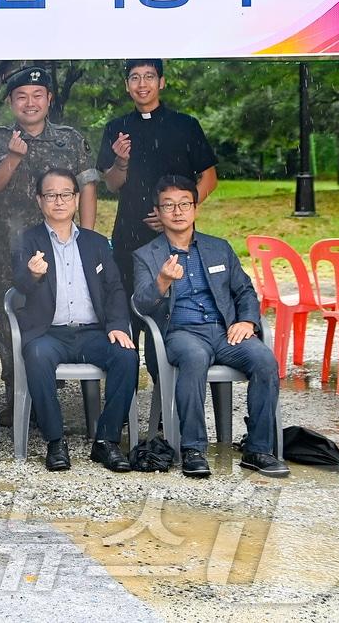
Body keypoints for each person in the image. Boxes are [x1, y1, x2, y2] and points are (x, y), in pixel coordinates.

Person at [132, 175, 289, 479]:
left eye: (184, 204)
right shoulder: (146, 255)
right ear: (158, 212)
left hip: (224, 332)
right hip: (179, 333)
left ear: (195, 208)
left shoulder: (219, 248)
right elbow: (140, 304)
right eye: (168, 205)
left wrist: (246, 321)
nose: (177, 211)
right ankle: (193, 449)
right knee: (194, 358)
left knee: (265, 361)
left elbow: (244, 291)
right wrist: (162, 281)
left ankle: (258, 449)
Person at [0, 65, 98, 424]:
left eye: (37, 95)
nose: (30, 103)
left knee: (59, 313)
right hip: (12, 247)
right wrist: (12, 158)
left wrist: (87, 241)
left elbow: (87, 187)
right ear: (12, 102)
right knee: (13, 316)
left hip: (63, 246)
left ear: (49, 98)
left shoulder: (70, 139)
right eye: (21, 97)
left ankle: (50, 391)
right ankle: (18, 397)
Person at [10, 166, 137, 473]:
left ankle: (106, 441)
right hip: (48, 333)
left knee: (126, 356)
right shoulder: (28, 239)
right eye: (51, 195)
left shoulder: (95, 243)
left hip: (92, 332)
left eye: (66, 194)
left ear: (77, 199)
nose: (59, 201)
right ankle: (55, 442)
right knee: (37, 357)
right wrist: (33, 275)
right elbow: (16, 290)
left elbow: (115, 289)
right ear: (40, 201)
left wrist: (118, 325)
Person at [97, 59, 219, 295]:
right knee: (131, 302)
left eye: (149, 76)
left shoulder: (186, 125)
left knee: (178, 303)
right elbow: (111, 185)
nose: (142, 84)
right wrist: (121, 162)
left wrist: (176, 211)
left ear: (162, 82)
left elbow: (210, 178)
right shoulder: (116, 128)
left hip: (177, 232)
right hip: (129, 231)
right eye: (135, 77)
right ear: (126, 85)